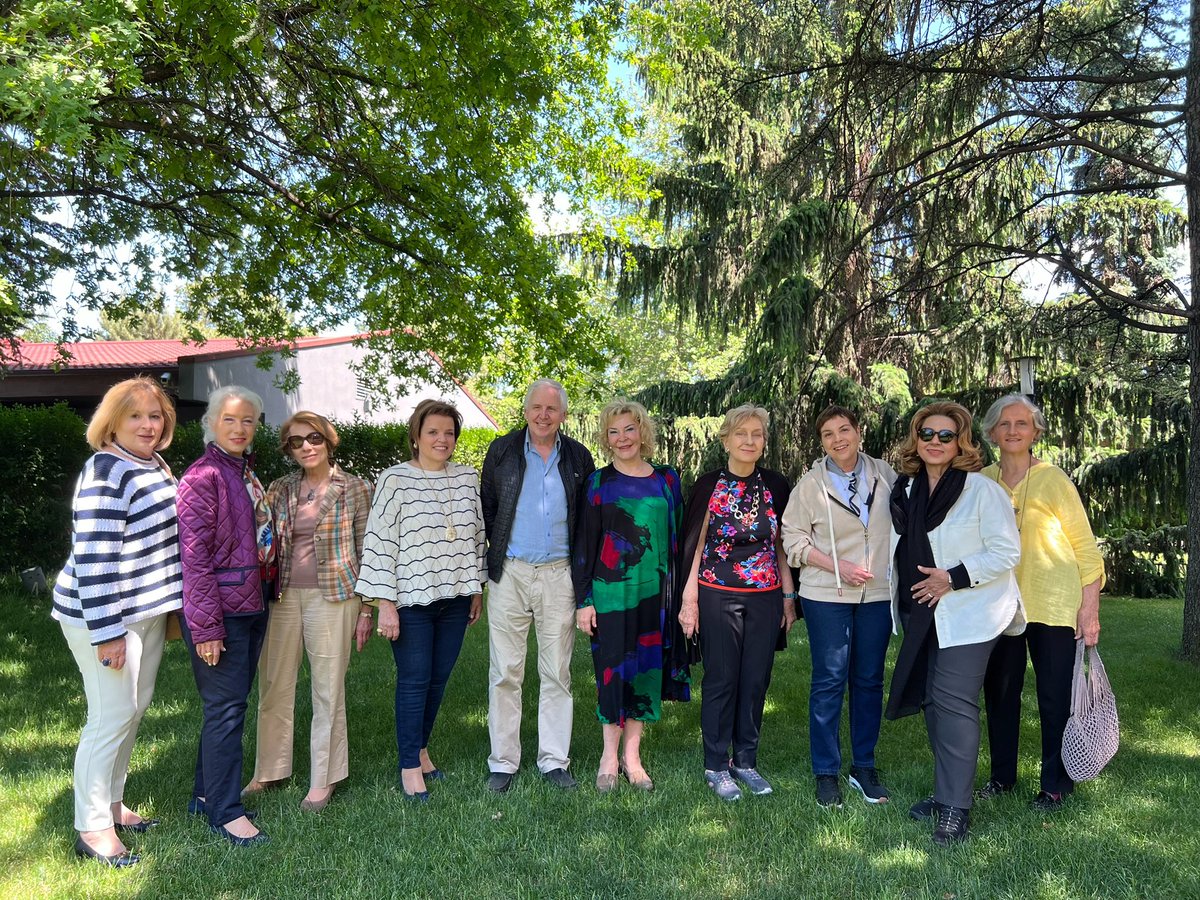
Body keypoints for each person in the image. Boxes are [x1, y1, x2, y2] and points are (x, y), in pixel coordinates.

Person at [52, 377, 183, 867]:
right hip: (103, 616)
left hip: (146, 612)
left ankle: (112, 803)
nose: (148, 425)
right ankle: (92, 827)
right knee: (109, 718)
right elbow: (93, 557)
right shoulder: (106, 469)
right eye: (136, 416)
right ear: (113, 421)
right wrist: (107, 633)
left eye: (156, 416)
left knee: (133, 710)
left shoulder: (153, 464)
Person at [885, 401, 1023, 846]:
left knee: (954, 700)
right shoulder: (905, 490)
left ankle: (956, 811)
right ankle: (948, 793)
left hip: (970, 610)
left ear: (962, 441)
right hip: (920, 610)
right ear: (916, 439)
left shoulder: (981, 491)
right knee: (931, 698)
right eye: (928, 434)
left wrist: (953, 578)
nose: (936, 442)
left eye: (946, 435)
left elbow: (1006, 552)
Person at [978, 393, 1105, 811]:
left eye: (1022, 424)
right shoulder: (982, 479)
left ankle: (1055, 782)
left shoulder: (1054, 480)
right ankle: (1001, 778)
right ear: (992, 432)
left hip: (1053, 603)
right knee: (1000, 692)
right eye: (1004, 424)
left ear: (1035, 432)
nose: (1012, 431)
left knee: (1054, 695)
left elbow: (1086, 549)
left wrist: (1089, 610)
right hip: (1000, 605)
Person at [243, 412, 373, 811]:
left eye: (313, 437)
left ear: (328, 440)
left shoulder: (354, 488)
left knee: (328, 689)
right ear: (289, 450)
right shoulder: (280, 489)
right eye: (296, 442)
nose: (306, 447)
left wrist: (367, 608)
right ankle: (270, 769)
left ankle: (324, 779)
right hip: (281, 596)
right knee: (274, 685)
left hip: (335, 597)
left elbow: (368, 547)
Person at [356, 399, 485, 802]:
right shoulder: (395, 479)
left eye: (449, 432)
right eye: (433, 432)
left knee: (438, 680)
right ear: (416, 436)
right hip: (411, 600)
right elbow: (378, 542)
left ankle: (422, 750)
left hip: (456, 598)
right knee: (413, 682)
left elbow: (477, 535)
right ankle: (409, 766)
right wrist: (384, 603)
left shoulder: (467, 478)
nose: (441, 439)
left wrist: (476, 587)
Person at [481, 379, 595, 793]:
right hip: (511, 572)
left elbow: (587, 521)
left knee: (557, 672)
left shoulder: (579, 457)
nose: (543, 415)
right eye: (536, 407)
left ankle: (553, 761)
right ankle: (504, 762)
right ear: (525, 410)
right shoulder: (502, 451)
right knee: (505, 671)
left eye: (552, 408)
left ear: (563, 414)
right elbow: (488, 508)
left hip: (559, 575)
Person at [781, 405, 896, 808]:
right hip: (826, 595)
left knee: (868, 680)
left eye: (843, 429)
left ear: (859, 431)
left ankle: (863, 766)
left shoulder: (885, 475)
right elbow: (791, 540)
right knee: (830, 679)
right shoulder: (810, 486)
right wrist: (836, 567)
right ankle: (826, 772)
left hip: (878, 594)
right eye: (828, 434)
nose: (837, 439)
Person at [572, 400, 690, 793]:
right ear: (606, 439)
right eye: (613, 432)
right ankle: (608, 756)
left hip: (656, 595)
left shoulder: (667, 480)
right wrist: (584, 599)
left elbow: (677, 541)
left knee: (644, 672)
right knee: (613, 672)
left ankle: (632, 757)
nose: (622, 438)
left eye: (629, 429)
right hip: (610, 595)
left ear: (643, 432)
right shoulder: (598, 483)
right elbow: (585, 545)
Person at [678, 404, 795, 802]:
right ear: (726, 439)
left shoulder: (777, 486)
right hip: (717, 594)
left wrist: (789, 597)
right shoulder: (709, 485)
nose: (749, 441)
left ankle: (745, 761)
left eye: (757, 434)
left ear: (764, 440)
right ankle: (715, 764)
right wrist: (689, 599)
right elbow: (694, 546)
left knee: (756, 680)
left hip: (765, 596)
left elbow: (779, 545)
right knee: (722, 678)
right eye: (741, 433)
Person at [177, 385, 275, 847]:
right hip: (223, 614)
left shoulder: (242, 472)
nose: (239, 428)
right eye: (230, 419)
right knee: (226, 712)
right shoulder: (204, 477)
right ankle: (226, 812)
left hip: (251, 605)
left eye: (248, 421)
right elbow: (193, 560)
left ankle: (204, 796)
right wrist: (207, 628)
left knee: (227, 708)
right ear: (211, 424)